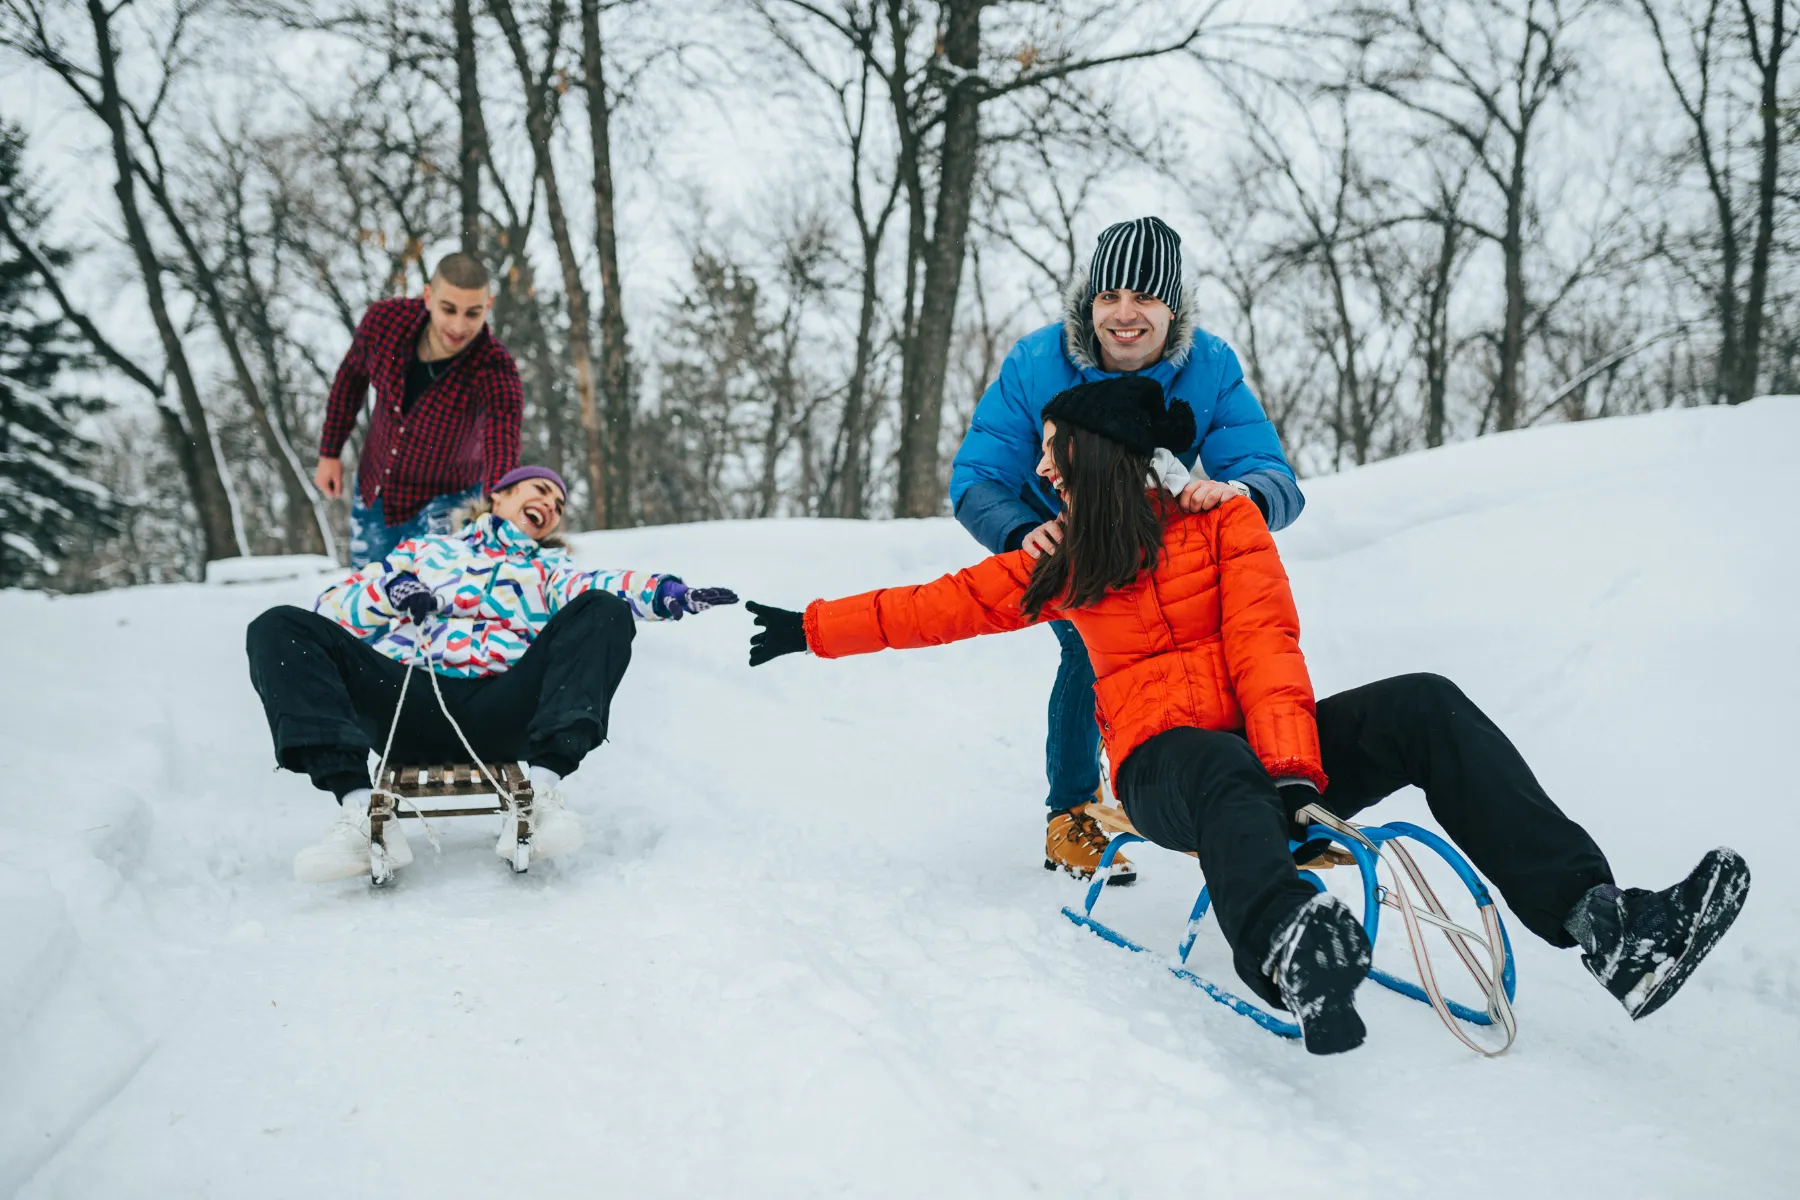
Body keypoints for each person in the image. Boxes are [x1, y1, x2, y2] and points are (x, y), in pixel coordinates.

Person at [743, 377, 1748, 1054]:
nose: (1043, 472)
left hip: (1275, 755)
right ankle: (1286, 951)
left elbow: (1267, 649)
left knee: (1426, 707)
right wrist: (806, 627)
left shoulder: (1224, 522)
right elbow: (935, 607)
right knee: (1215, 770)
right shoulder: (1064, 558)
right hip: (1165, 770)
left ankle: (1610, 927)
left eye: (1056, 454)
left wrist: (1299, 779)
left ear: (1102, 454)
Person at [948, 216, 1304, 886]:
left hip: (1160, 533)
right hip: (1064, 531)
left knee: (1210, 638)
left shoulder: (1210, 368)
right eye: (1109, 295)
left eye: (1144, 297)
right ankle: (1073, 811)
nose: (1124, 314)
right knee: (1090, 643)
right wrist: (1022, 532)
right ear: (1090, 303)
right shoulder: (1036, 363)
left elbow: (1272, 474)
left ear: (1174, 306)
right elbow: (976, 478)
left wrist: (1240, 494)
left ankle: (1226, 795)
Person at [246, 466, 740, 883]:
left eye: (559, 504)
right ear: (499, 495)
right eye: (540, 490)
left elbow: (602, 585)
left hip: (503, 708)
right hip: (407, 703)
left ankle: (539, 800)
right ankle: (359, 814)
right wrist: (391, 594)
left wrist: (666, 594)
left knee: (604, 609)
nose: (550, 504)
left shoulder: (548, 569)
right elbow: (332, 608)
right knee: (278, 627)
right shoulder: (422, 554)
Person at [315, 253, 525, 567]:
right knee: (366, 591)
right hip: (378, 486)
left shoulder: (495, 369)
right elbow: (351, 379)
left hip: (448, 500)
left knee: (438, 597)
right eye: (448, 309)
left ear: (488, 307)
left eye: (472, 313)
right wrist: (330, 452)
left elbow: (502, 441)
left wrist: (501, 506)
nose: (458, 325)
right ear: (428, 296)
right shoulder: (384, 323)